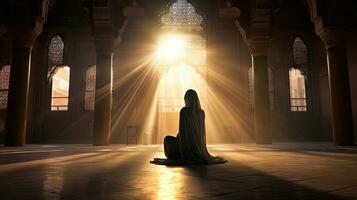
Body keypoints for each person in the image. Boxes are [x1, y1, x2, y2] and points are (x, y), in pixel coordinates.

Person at [151, 89, 227, 165]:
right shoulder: (201, 112)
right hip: (198, 146)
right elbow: (202, 132)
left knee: (167, 139)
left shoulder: (184, 111)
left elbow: (183, 132)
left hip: (185, 147)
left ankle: (175, 156)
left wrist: (180, 138)